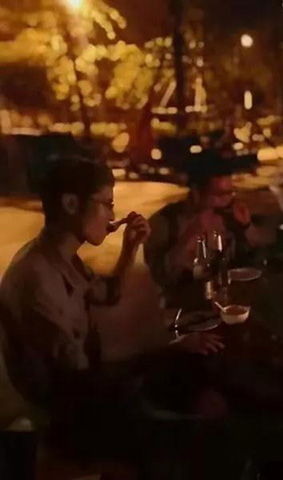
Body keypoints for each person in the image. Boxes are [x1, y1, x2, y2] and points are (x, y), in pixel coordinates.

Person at [0, 157, 225, 440]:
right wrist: (167, 346)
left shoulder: (59, 257)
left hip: (88, 389)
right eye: (107, 204)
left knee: (201, 367)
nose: (112, 215)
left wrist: (130, 249)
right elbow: (82, 375)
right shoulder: (38, 279)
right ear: (70, 204)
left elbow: (108, 294)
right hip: (72, 414)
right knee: (205, 421)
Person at [144, 155, 256, 307]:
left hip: (230, 303)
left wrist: (246, 226)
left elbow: (254, 255)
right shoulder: (164, 222)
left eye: (231, 192)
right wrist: (189, 236)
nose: (227, 200)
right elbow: (161, 277)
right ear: (196, 192)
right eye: (219, 194)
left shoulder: (228, 214)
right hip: (186, 308)